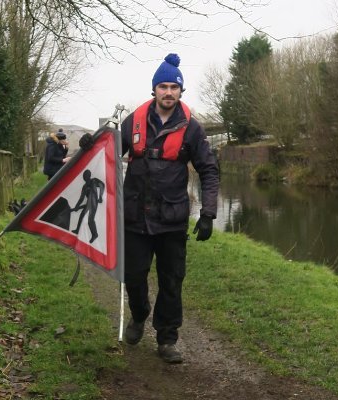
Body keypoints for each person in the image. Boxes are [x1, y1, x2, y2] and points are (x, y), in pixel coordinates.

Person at [79, 53, 219, 364]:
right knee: (135, 275)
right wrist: (91, 145)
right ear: (153, 89)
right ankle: (139, 313)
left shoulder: (193, 130)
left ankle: (167, 339)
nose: (168, 92)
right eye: (163, 86)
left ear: (181, 91)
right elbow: (109, 153)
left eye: (174, 87)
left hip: (172, 219)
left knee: (172, 280)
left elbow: (209, 170)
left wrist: (208, 212)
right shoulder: (134, 121)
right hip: (135, 218)